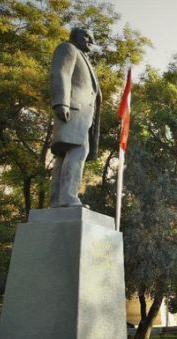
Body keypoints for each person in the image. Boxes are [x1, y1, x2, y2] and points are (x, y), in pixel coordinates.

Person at [49, 27, 101, 208]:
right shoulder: (68, 49)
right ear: (77, 36)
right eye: (88, 37)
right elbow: (61, 73)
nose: (91, 42)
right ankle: (68, 197)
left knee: (65, 154)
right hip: (73, 109)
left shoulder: (82, 56)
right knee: (78, 150)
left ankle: (57, 200)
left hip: (81, 114)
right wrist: (61, 102)